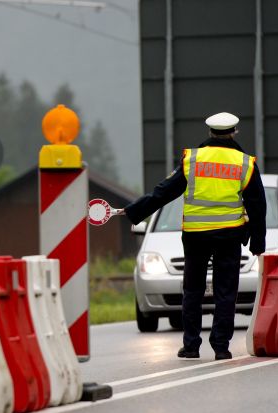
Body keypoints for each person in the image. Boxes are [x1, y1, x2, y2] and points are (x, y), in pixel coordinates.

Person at [113, 112, 267, 360]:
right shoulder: (245, 163)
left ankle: (191, 345)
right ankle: (221, 347)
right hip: (229, 235)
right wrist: (258, 243)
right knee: (226, 292)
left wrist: (135, 211)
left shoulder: (192, 159)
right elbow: (258, 206)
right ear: (234, 132)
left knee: (193, 289)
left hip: (196, 235)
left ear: (210, 133)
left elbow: (163, 192)